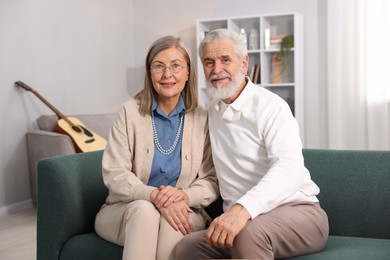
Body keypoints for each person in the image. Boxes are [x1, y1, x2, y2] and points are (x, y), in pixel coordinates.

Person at [176, 28, 329, 259]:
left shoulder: (271, 107)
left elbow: (290, 169)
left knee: (247, 234)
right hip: (245, 220)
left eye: (225, 60)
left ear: (244, 62)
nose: (217, 70)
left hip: (299, 213)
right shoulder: (212, 112)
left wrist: (242, 210)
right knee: (187, 247)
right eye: (209, 62)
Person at [95, 35, 219, 260]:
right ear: (149, 72)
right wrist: (152, 196)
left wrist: (181, 197)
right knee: (145, 213)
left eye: (175, 66)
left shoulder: (203, 118)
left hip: (185, 210)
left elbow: (210, 180)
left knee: (172, 220)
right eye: (158, 66)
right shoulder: (128, 113)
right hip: (126, 210)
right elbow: (115, 174)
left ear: (188, 72)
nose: (167, 75)